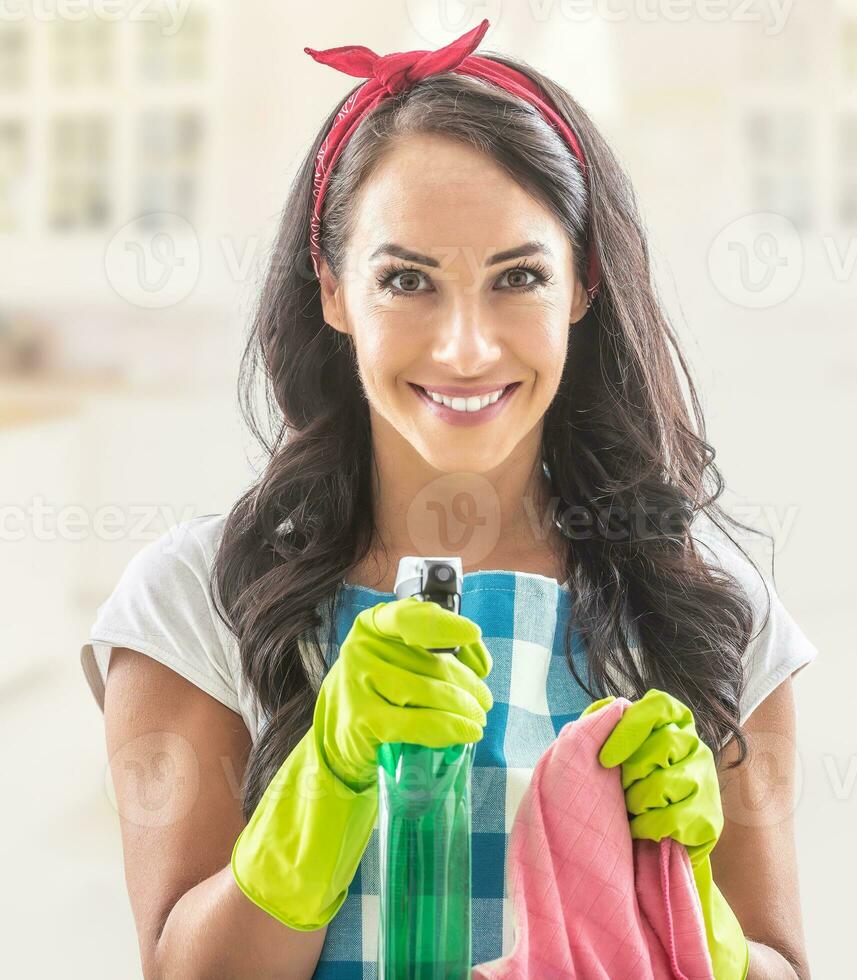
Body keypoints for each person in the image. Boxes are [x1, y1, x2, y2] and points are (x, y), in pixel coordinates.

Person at [80, 21, 811, 979]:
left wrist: (695, 912)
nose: (465, 348)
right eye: (406, 280)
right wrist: (329, 777)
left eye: (518, 277)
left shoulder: (711, 614)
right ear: (333, 290)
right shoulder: (193, 602)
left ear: (584, 284)